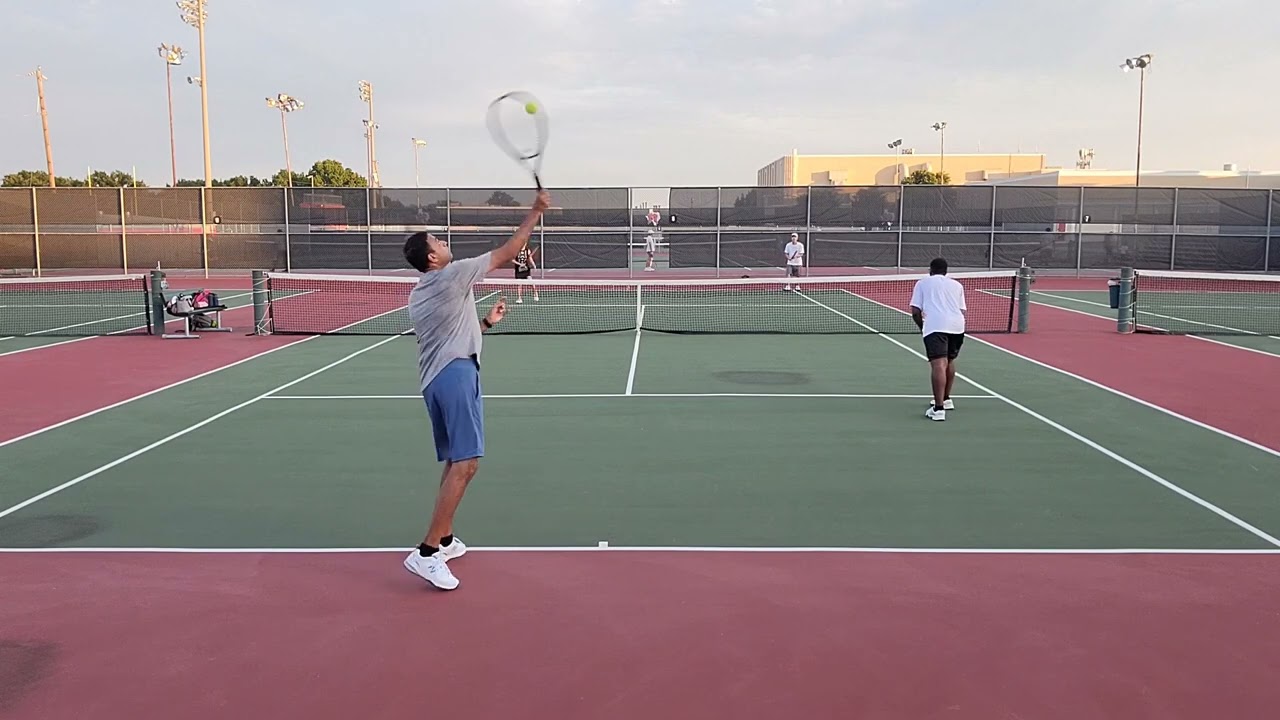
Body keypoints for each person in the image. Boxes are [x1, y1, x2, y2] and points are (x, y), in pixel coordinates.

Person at [401, 189, 552, 590]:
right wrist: (535, 212)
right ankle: (427, 552)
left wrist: (484, 325)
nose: (445, 244)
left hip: (437, 378)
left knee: (456, 462)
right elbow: (509, 251)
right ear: (432, 258)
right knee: (467, 464)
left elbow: (447, 334)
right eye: (439, 242)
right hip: (455, 377)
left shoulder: (420, 293)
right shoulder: (451, 275)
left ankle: (445, 539)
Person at [909, 257, 966, 421]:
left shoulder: (922, 283)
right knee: (949, 360)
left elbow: (915, 311)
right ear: (946, 271)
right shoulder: (957, 285)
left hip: (936, 326)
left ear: (930, 270)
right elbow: (961, 309)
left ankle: (939, 409)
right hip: (957, 326)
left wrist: (922, 327)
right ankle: (946, 399)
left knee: (938, 364)